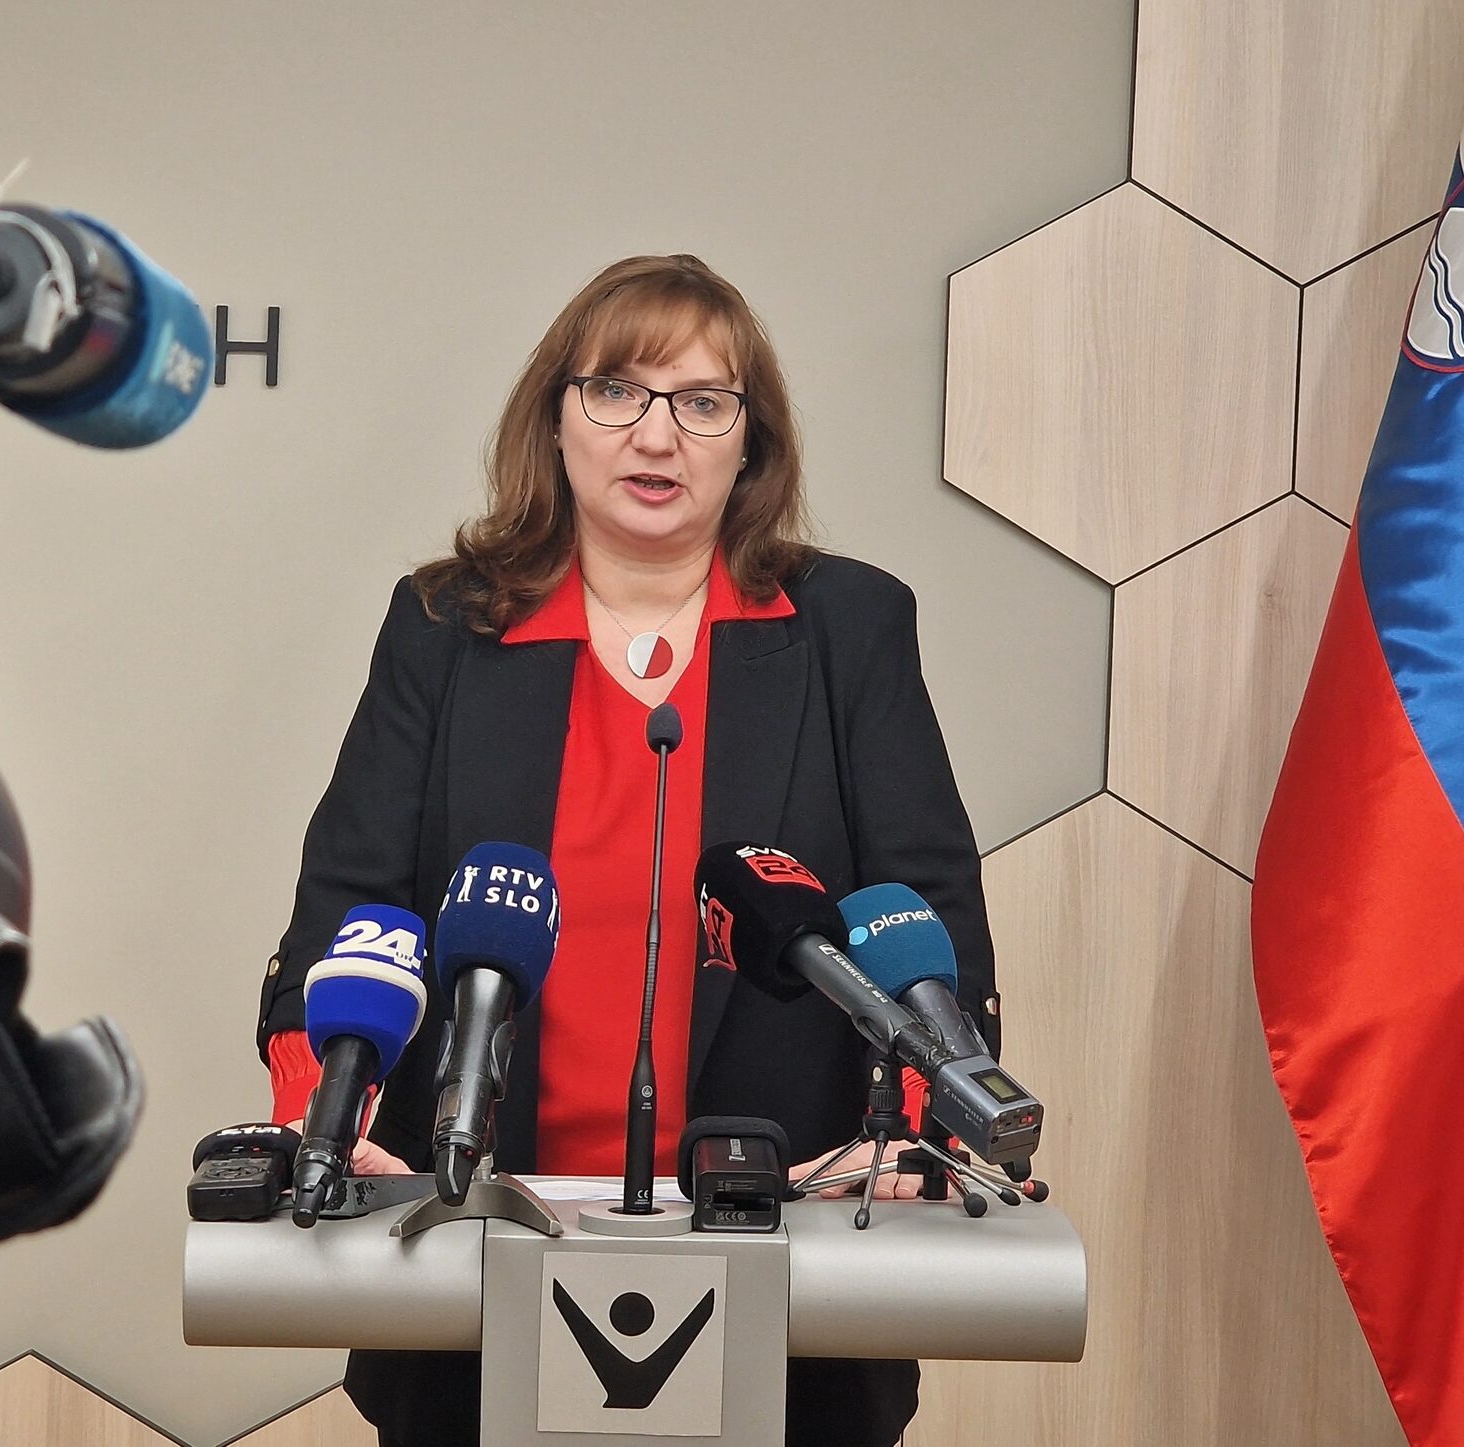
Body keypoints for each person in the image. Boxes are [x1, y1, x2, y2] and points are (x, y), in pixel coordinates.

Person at [255, 253, 998, 1447]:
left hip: (787, 1246)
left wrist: (912, 1137)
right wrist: (329, 1114)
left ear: (750, 443)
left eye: (702, 402)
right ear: (554, 418)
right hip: (477, 1241)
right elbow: (344, 908)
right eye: (615, 390)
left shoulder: (845, 628)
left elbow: (928, 916)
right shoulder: (446, 627)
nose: (657, 435)